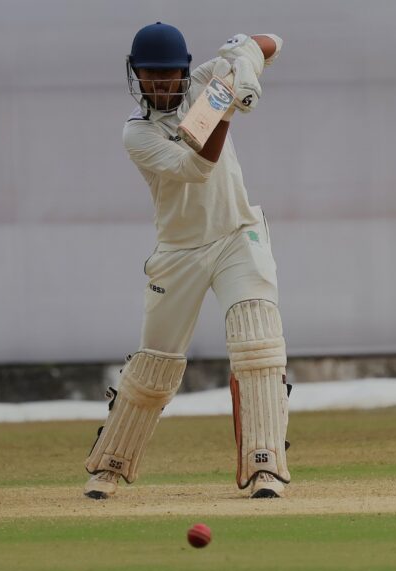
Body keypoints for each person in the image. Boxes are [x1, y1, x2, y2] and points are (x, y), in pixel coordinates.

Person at [83, 23, 290, 499]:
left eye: (169, 73)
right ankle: (110, 465)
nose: (160, 83)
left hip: (238, 233)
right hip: (179, 252)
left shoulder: (209, 78)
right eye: (150, 75)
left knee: (257, 344)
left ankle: (265, 464)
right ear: (136, 75)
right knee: (154, 364)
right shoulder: (136, 133)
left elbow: (271, 43)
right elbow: (198, 166)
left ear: (184, 69)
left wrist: (241, 66)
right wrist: (225, 106)